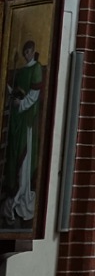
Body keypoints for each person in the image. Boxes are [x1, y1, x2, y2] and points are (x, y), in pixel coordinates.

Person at [3, 40, 44, 223]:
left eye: (28, 52)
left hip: (27, 122)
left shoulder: (36, 68)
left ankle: (23, 195)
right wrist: (12, 95)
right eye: (24, 52)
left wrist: (21, 103)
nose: (26, 55)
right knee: (14, 157)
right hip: (18, 120)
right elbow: (18, 91)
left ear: (33, 51)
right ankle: (14, 196)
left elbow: (33, 96)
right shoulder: (21, 71)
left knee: (24, 162)